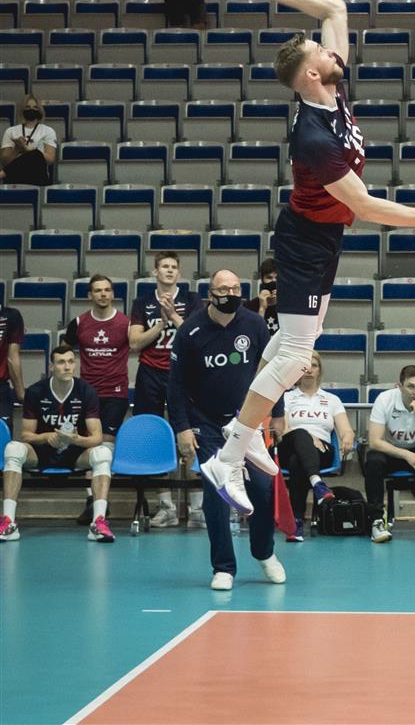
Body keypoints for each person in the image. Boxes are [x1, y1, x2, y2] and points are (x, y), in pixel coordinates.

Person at [200, 0, 415, 515]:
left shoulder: (330, 88)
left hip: (325, 239)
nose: (333, 53)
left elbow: (334, 8)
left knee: (292, 343)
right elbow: (367, 206)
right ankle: (229, 455)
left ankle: (245, 429)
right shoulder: (314, 138)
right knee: (296, 355)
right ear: (310, 74)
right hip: (305, 242)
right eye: (322, 53)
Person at [167, 268, 286, 592]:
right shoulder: (190, 331)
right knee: (216, 492)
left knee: (261, 487)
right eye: (224, 289)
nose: (230, 294)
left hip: (246, 420)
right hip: (205, 422)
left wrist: (278, 412)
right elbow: (176, 386)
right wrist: (182, 428)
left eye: (235, 289)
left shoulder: (254, 323)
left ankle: (264, 552)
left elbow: (273, 371)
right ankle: (223, 567)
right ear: (210, 294)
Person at [0, 344, 115, 542]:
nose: (67, 366)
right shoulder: (36, 391)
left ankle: (98, 523)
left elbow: (97, 437)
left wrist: (76, 439)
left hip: (75, 454)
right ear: (51, 367)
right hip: (42, 453)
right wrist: (46, 437)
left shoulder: (86, 391)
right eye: (61, 362)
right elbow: (26, 435)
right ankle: (8, 522)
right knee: (13, 449)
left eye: (70, 361)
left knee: (103, 453)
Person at [129, 251, 204, 529]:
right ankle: (166, 507)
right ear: (155, 272)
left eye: (174, 267)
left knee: (190, 436)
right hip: (151, 373)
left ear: (179, 273)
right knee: (154, 437)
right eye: (164, 266)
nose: (169, 271)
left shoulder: (192, 300)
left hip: (183, 373)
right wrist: (161, 323)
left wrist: (173, 316)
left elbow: (197, 336)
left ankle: (197, 508)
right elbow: (134, 343)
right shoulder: (143, 302)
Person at [64, 274, 130, 524]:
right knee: (89, 445)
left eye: (107, 290)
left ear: (112, 294)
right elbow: (63, 353)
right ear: (90, 295)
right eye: (98, 290)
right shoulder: (79, 323)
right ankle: (92, 501)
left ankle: (101, 502)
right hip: (87, 395)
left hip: (115, 393)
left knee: (104, 445)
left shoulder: (125, 323)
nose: (103, 294)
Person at [279, 352, 355, 542]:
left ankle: (296, 522)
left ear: (320, 370)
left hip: (322, 451)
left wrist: (347, 438)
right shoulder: (287, 398)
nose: (309, 370)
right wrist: (309, 436)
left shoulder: (332, 400)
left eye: (314, 365)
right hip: (290, 444)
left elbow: (346, 430)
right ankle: (317, 484)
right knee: (301, 435)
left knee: (297, 461)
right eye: (305, 366)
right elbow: (283, 430)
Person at [364, 365, 415, 543]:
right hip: (392, 451)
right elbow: (375, 441)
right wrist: (406, 454)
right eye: (410, 386)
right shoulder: (384, 399)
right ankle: (377, 521)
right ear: (399, 386)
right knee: (373, 459)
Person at [0, 94, 57, 185]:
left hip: (37, 176)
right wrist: (17, 148)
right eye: (28, 107)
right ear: (22, 109)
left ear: (39, 110)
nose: (31, 110)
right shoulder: (11, 131)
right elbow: (4, 161)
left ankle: (2, 174)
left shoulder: (48, 131)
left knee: (36, 154)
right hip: (15, 176)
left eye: (35, 107)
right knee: (34, 153)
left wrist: (27, 150)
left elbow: (50, 159)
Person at [0, 302, 25, 437]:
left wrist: (21, 394)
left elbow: (12, 357)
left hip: (1, 389)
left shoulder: (11, 316)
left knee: (5, 439)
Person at [243, 257, 279, 337]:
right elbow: (251, 335)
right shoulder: (249, 307)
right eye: (269, 277)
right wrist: (262, 309)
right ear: (262, 280)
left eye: (277, 278)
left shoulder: (289, 307)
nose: (274, 281)